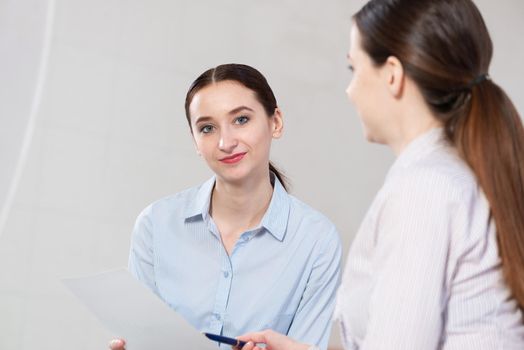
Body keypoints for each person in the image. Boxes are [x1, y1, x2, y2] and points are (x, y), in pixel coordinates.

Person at [237, 0, 524, 349]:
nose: (350, 90)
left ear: (392, 74)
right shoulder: (451, 175)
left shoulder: (424, 190)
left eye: (353, 68)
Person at [108, 63, 342, 350]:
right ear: (195, 140)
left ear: (276, 122)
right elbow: (143, 337)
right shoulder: (155, 224)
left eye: (241, 120)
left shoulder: (316, 240)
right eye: (207, 128)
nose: (225, 142)